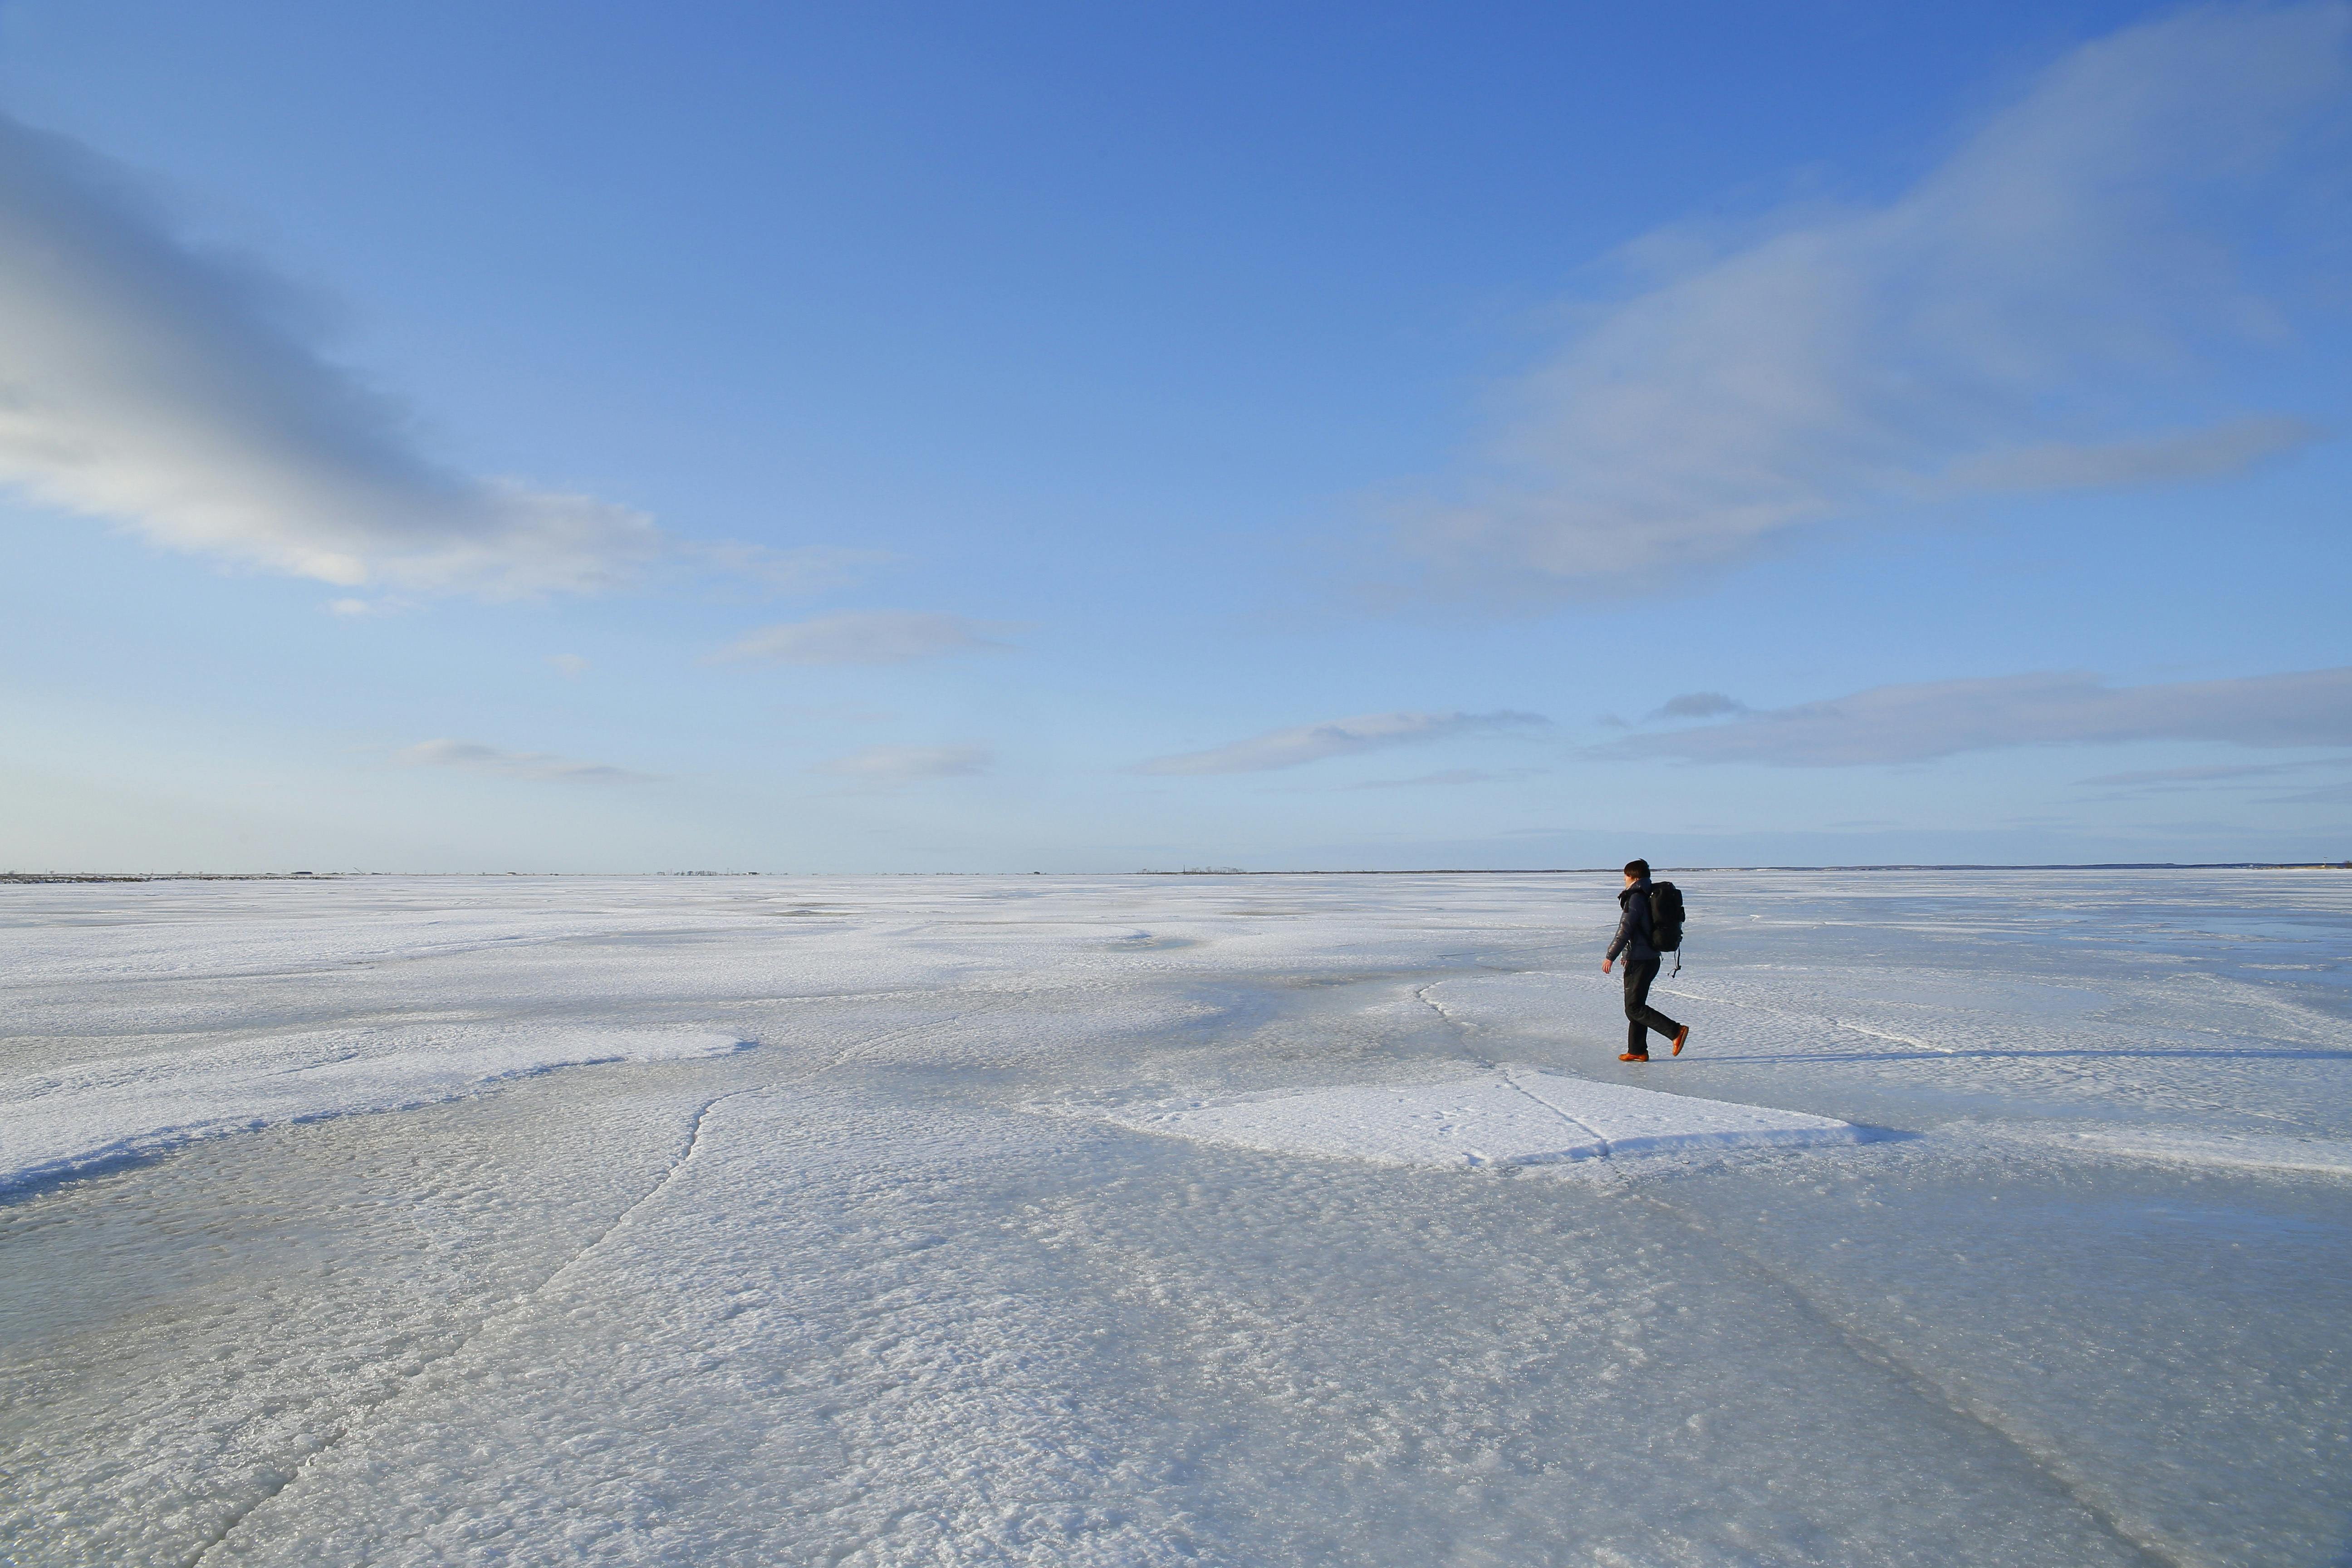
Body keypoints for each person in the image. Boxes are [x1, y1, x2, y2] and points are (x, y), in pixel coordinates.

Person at [1601, 858, 1690, 1062]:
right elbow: (1640, 932)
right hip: (1645, 958)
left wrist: (1610, 956)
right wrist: (1627, 955)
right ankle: (1637, 1050)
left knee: (1634, 1007)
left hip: (1641, 961)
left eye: (1626, 875)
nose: (1624, 879)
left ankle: (1675, 1031)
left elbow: (1625, 930)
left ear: (1634, 877)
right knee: (1636, 1006)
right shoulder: (1646, 895)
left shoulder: (1636, 898)